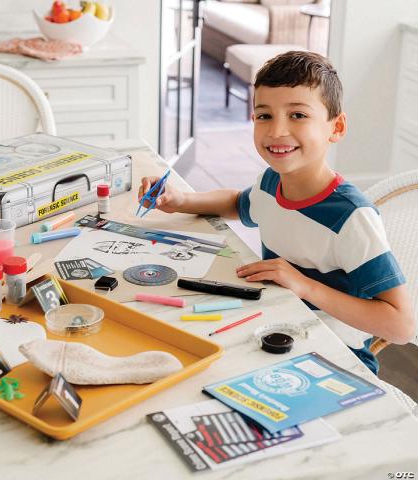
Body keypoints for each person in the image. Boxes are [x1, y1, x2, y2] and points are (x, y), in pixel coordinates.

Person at [139, 50, 414, 374]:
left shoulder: (351, 218)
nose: (276, 131)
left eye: (297, 115)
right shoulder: (272, 183)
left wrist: (302, 285)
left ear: (335, 127)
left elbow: (401, 326)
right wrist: (182, 200)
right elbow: (240, 203)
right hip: (276, 328)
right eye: (264, 115)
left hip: (337, 359)